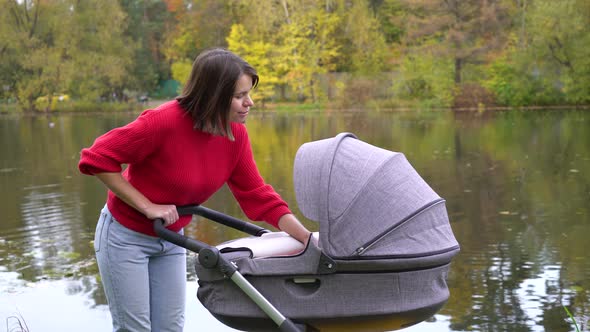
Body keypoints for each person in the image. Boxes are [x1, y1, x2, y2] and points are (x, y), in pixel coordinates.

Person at [78, 48, 311, 332]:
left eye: (249, 93)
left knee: (170, 328)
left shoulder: (235, 135)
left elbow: (258, 196)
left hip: (171, 238)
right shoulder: (162, 122)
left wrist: (308, 241)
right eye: (239, 96)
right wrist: (147, 206)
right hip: (124, 237)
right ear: (213, 95)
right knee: (134, 329)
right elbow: (96, 158)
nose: (249, 102)